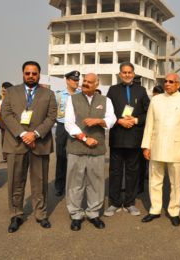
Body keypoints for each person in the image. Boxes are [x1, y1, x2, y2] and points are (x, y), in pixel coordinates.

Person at [1, 61, 57, 233]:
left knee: (40, 182)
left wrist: (36, 134)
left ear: (39, 74)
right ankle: (16, 214)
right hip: (16, 144)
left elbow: (51, 116)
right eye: (27, 73)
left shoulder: (48, 94)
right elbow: (6, 115)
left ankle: (41, 214)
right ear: (23, 74)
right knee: (16, 181)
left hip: (40, 143)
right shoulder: (11, 92)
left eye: (34, 73)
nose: (31, 76)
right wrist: (23, 134)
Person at [141, 72, 180, 226]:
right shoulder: (156, 100)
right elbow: (149, 124)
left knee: (176, 183)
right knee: (154, 181)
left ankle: (174, 210)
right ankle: (155, 209)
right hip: (156, 146)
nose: (167, 84)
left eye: (171, 81)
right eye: (165, 81)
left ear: (178, 84)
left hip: (177, 148)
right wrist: (146, 146)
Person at [64, 73, 116, 231]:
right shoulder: (72, 99)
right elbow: (68, 123)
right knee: (75, 183)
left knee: (96, 182)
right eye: (84, 81)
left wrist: (98, 121)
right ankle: (76, 215)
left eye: (89, 82)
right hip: (76, 148)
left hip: (97, 149)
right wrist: (85, 139)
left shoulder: (105, 101)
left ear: (96, 84)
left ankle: (93, 213)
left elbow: (111, 118)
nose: (85, 83)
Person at [104, 62, 150, 217]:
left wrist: (136, 120)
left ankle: (130, 203)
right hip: (117, 136)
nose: (127, 75)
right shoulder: (112, 90)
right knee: (115, 171)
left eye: (130, 72)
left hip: (135, 137)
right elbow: (107, 112)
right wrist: (119, 120)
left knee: (133, 172)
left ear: (134, 73)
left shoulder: (141, 91)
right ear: (120, 74)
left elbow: (148, 112)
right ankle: (114, 203)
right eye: (124, 72)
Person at [54, 70, 81, 197]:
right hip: (62, 127)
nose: (76, 82)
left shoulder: (81, 94)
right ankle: (59, 185)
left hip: (76, 127)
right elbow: (53, 111)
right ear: (67, 80)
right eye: (74, 80)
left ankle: (74, 185)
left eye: (77, 80)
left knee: (76, 156)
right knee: (61, 157)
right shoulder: (59, 95)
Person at [0, 82, 13, 163]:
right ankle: (5, 157)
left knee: (11, 141)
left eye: (4, 88)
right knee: (3, 141)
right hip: (2, 124)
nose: (2, 90)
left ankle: (11, 157)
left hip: (10, 125)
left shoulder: (13, 100)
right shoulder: (1, 101)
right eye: (2, 88)